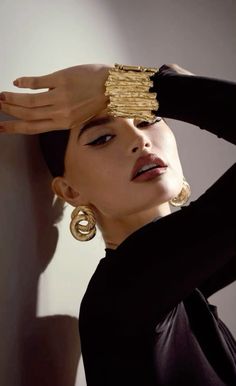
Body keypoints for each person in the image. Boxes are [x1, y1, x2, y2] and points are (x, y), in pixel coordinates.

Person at [0, 63, 235, 385]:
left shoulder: (176, 288)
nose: (139, 140)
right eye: (102, 138)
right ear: (70, 191)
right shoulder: (125, 289)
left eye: (147, 118)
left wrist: (161, 86)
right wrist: (152, 86)